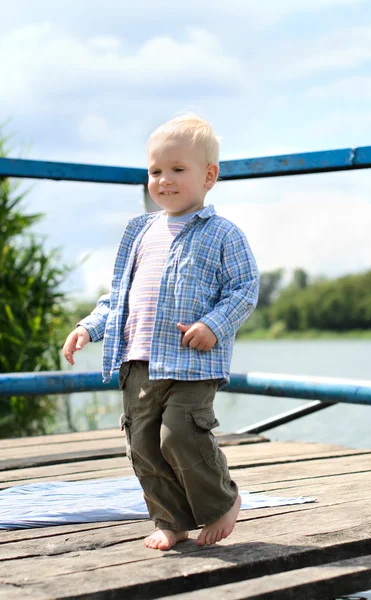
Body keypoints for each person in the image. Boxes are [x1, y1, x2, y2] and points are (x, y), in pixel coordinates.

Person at [63, 113, 259, 551]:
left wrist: (214, 324)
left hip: (192, 361)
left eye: (177, 170)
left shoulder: (223, 234)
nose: (163, 180)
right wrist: (87, 327)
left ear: (209, 176)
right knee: (145, 445)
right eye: (155, 171)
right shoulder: (140, 232)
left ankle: (222, 502)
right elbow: (119, 296)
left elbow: (244, 289)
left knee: (181, 434)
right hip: (137, 362)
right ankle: (171, 521)